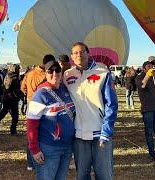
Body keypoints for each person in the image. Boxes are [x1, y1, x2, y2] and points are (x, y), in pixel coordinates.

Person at [63, 42, 118, 179]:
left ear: (88, 53)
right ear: (71, 56)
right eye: (75, 53)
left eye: (82, 51)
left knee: (104, 175)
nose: (79, 55)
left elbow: (111, 104)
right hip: (79, 134)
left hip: (100, 133)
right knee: (82, 175)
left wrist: (106, 131)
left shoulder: (103, 73)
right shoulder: (67, 75)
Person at [27, 61, 75, 180]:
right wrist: (34, 149)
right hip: (49, 148)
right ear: (46, 73)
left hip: (67, 147)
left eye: (57, 70)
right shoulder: (40, 94)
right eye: (50, 71)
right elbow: (31, 124)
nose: (54, 73)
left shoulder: (66, 90)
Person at [21, 54, 56, 171]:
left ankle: (30, 163)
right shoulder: (44, 75)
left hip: (30, 104)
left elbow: (22, 87)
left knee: (31, 134)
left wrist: (28, 95)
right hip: (41, 105)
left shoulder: (29, 73)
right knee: (39, 132)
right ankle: (39, 158)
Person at [0, 64, 22, 135]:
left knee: (3, 112)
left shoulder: (7, 75)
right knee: (15, 116)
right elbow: (9, 89)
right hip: (11, 99)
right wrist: (17, 96)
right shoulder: (13, 77)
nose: (19, 70)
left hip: (6, 98)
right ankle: (13, 130)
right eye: (18, 69)